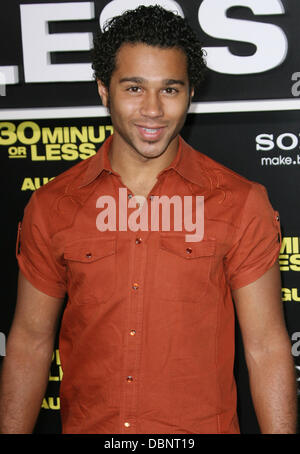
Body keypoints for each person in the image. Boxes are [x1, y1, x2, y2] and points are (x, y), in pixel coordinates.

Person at [0, 5, 297, 434]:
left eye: (170, 89)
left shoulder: (239, 202)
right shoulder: (52, 205)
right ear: (104, 90)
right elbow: (29, 342)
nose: (153, 109)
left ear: (191, 93)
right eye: (134, 88)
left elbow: (267, 347)